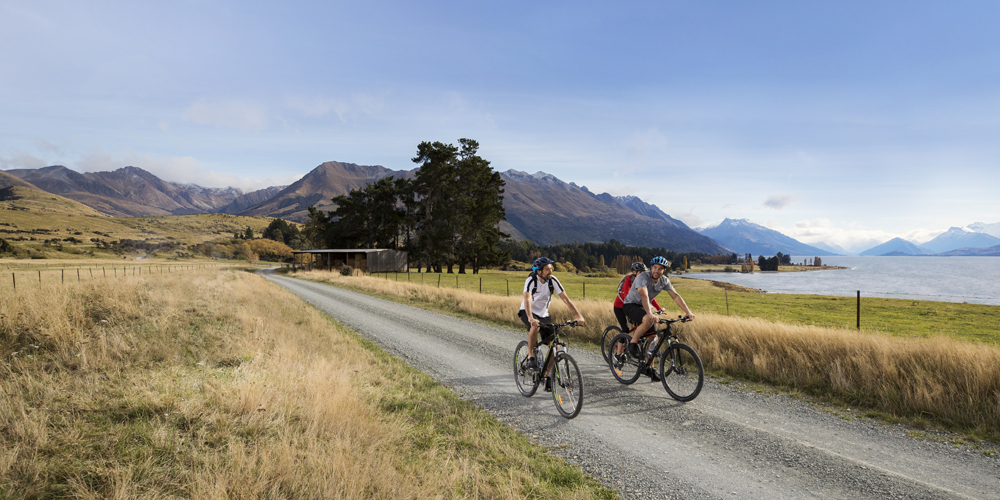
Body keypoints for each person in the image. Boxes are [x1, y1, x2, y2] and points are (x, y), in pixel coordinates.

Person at [621, 256, 695, 380]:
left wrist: (688, 312)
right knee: (648, 320)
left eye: (660, 269)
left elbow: (675, 296)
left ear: (664, 270)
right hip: (631, 305)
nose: (656, 270)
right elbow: (643, 295)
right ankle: (632, 343)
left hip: (644, 307)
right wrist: (650, 313)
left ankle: (650, 368)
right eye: (654, 267)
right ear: (651, 267)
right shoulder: (642, 277)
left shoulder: (664, 281)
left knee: (653, 338)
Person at [519, 256, 585, 391]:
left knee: (554, 346)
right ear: (539, 271)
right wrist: (531, 318)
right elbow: (527, 299)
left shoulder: (553, 280)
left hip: (543, 315)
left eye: (551, 268)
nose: (550, 271)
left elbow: (566, 299)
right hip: (528, 311)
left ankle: (546, 375)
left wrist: (578, 315)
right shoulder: (531, 280)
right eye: (547, 269)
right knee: (535, 326)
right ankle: (531, 356)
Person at [613, 261, 661, 333]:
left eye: (644, 272)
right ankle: (620, 343)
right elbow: (628, 298)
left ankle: (636, 342)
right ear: (634, 272)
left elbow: (647, 296)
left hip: (634, 306)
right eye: (641, 272)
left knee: (643, 324)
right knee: (625, 330)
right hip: (620, 307)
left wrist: (658, 308)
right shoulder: (628, 282)